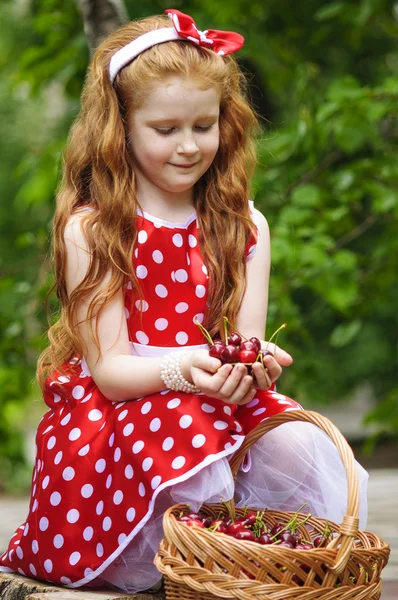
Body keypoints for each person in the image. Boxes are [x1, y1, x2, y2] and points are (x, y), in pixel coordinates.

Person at [0, 8, 368, 593]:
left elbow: (244, 344)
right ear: (120, 127)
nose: (189, 146)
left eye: (204, 125)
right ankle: (173, 566)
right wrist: (182, 371)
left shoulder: (245, 226)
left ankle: (246, 567)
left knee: (301, 441)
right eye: (165, 129)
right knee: (183, 421)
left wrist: (253, 368)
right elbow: (112, 372)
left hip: (210, 395)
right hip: (121, 414)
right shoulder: (93, 231)